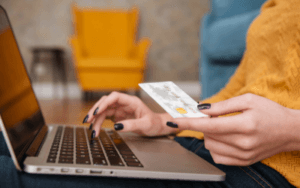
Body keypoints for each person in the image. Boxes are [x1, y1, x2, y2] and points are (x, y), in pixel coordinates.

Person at [0, 0, 299, 187]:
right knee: (18, 141)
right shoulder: (275, 4)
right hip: (194, 147)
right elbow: (236, 90)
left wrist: (291, 130)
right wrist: (164, 121)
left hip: (267, 174)